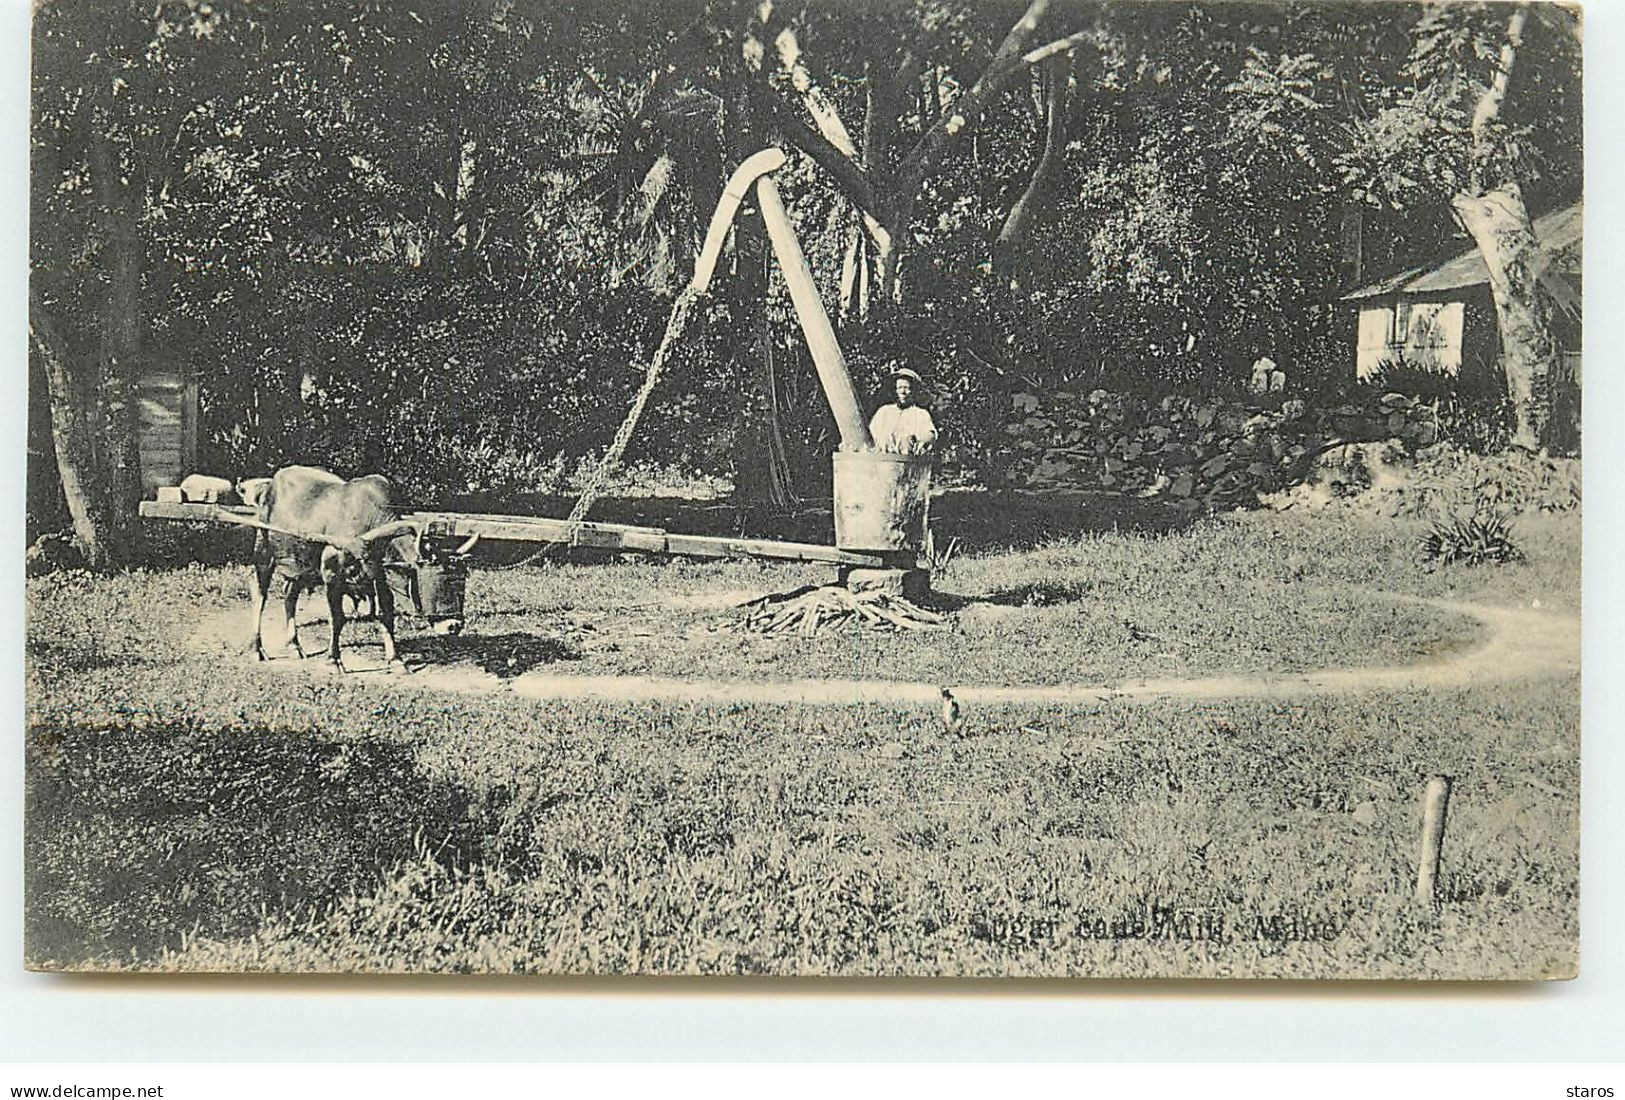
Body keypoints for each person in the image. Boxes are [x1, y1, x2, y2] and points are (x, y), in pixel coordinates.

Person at [868, 367, 938, 454]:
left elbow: (930, 434)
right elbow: (871, 433)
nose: (903, 392)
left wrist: (923, 441)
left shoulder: (920, 414)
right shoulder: (884, 412)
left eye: (907, 388)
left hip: (908, 463)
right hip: (881, 462)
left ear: (913, 391)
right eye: (900, 387)